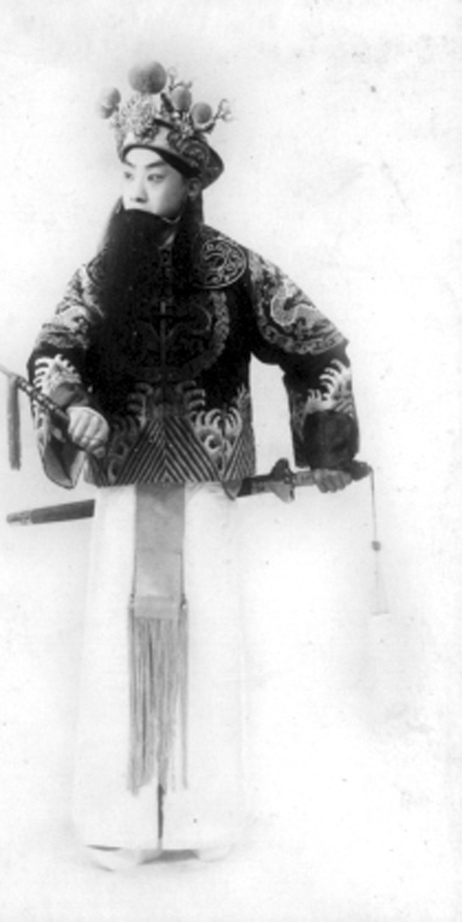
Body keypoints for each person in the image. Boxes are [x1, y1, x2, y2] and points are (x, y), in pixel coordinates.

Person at [27, 62, 359, 871]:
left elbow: (317, 348)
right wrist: (72, 402)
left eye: (156, 176)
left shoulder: (236, 271)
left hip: (207, 489)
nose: (138, 191)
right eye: (129, 176)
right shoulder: (99, 274)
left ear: (190, 182)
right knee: (114, 644)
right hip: (125, 487)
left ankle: (203, 819)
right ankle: (118, 820)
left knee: (208, 644)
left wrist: (323, 448)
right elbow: (51, 352)